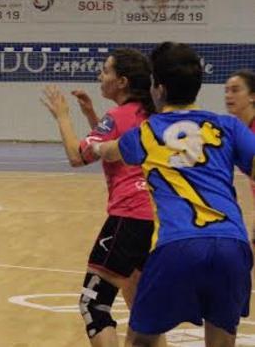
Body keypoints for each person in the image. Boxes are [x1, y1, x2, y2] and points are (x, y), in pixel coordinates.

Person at [96, 42, 255, 347]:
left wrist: (94, 145)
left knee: (140, 341)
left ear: (159, 89)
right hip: (232, 245)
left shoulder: (147, 130)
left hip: (178, 245)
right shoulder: (228, 126)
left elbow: (111, 150)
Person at [40, 49, 161, 347]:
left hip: (127, 218)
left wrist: (63, 116)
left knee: (94, 305)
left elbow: (77, 156)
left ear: (121, 81)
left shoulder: (118, 116)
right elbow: (117, 147)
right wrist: (91, 116)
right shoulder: (148, 114)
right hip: (151, 219)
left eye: (105, 71)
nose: (100, 76)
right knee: (144, 313)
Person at [224, 70, 255, 211]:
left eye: (235, 90)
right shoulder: (236, 132)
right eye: (227, 91)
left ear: (252, 97)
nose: (229, 95)